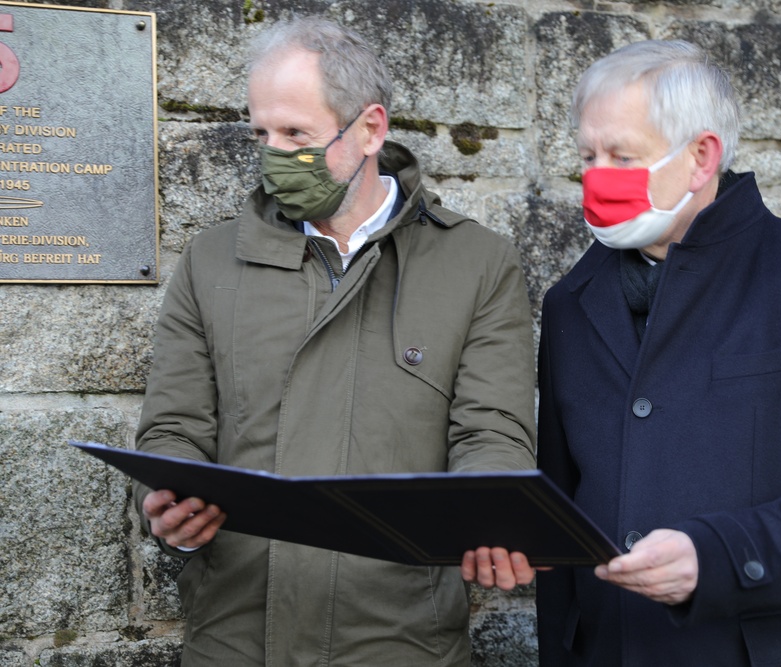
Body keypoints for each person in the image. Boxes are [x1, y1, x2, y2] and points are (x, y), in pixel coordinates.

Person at [134, 17, 537, 666]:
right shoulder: (211, 261)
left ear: (371, 129)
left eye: (296, 133)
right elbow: (173, 428)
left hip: (401, 642)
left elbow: (492, 431)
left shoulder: (476, 264)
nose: (274, 155)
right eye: (261, 133)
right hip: (235, 640)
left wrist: (489, 508)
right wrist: (166, 504)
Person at [535, 40, 781, 666]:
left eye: (623, 156)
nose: (598, 176)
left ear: (702, 156)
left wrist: (718, 557)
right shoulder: (570, 302)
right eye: (588, 155)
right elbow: (563, 502)